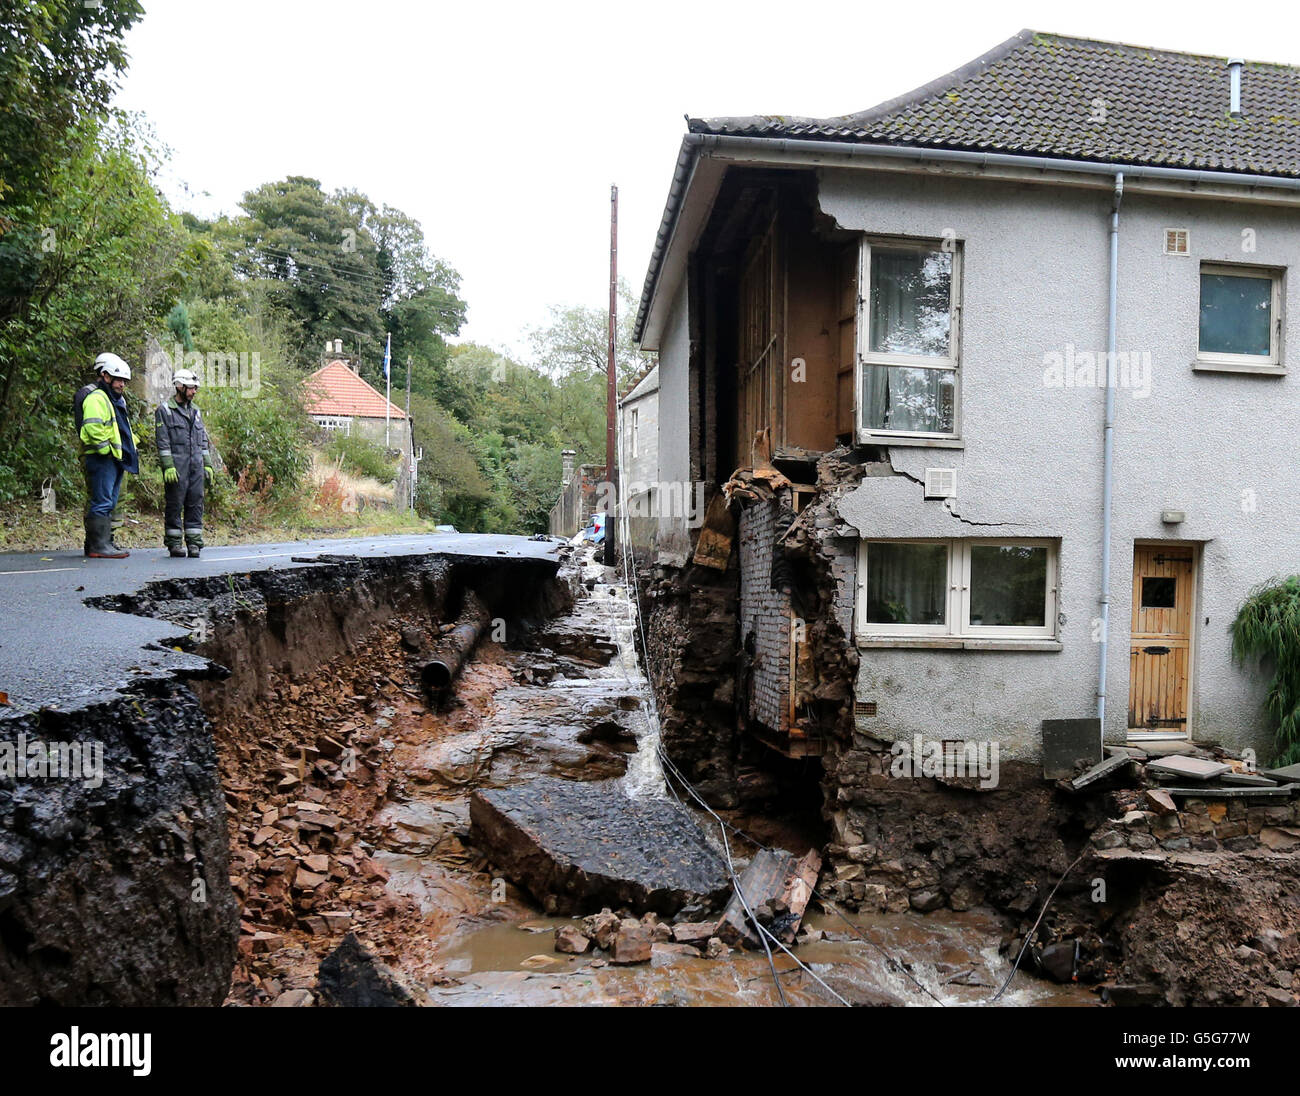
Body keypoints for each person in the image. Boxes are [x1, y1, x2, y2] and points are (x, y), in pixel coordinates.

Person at [78, 352, 139, 559]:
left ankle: (103, 543)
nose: (122, 384)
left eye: (124, 381)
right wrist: (107, 451)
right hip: (102, 458)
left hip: (114, 459)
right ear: (105, 376)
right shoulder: (97, 398)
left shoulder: (114, 400)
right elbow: (93, 428)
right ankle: (98, 546)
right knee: (102, 500)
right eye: (119, 379)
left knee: (110, 502)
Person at [155, 367, 214, 558]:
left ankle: (194, 543)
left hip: (195, 466)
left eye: (195, 388)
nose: (194, 391)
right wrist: (168, 465)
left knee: (196, 503)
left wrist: (207, 464)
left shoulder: (196, 412)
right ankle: (174, 543)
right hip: (177, 466)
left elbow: (203, 440)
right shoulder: (165, 410)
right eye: (190, 388)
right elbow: (162, 440)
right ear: (179, 386)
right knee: (175, 504)